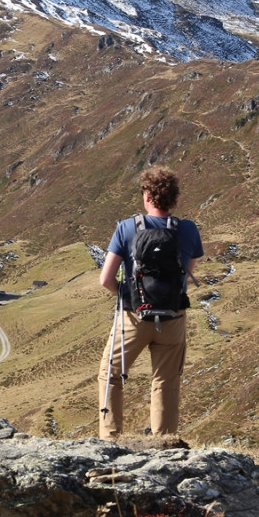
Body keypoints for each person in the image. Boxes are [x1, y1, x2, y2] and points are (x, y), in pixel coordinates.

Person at [98, 166, 204, 440]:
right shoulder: (188, 230)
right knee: (166, 381)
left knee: (110, 374)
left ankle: (110, 439)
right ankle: (165, 442)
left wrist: (128, 294)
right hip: (172, 317)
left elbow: (106, 279)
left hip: (133, 317)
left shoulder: (126, 228)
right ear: (174, 199)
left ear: (147, 195)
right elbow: (187, 275)